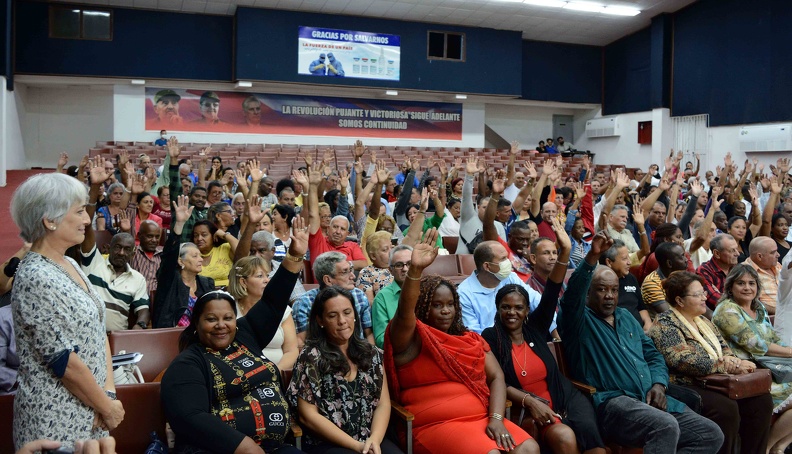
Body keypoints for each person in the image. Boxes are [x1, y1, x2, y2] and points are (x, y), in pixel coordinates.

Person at [558, 230, 724, 453]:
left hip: (649, 396)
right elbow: (571, 297)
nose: (609, 296)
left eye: (614, 290)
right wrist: (591, 259)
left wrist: (658, 384)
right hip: (613, 402)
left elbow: (653, 355)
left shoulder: (626, 316)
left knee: (710, 434)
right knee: (664, 426)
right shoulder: (577, 320)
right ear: (588, 293)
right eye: (601, 290)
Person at [383, 229, 539, 454]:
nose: (446, 311)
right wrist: (415, 270)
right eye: (437, 305)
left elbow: (496, 377)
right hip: (435, 425)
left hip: (481, 418)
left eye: (450, 304)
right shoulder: (411, 337)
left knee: (529, 448)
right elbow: (405, 313)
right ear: (423, 307)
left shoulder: (470, 340)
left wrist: (496, 419)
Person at [161, 217, 307, 454]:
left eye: (227, 318)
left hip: (274, 447)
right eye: (211, 319)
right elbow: (189, 417)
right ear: (196, 324)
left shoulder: (245, 335)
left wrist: (295, 256)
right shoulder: (188, 363)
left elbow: (273, 301)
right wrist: (244, 446)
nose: (221, 325)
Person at [10, 172, 124, 449]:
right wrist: (106, 408)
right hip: (54, 421)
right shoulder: (36, 276)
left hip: (91, 410)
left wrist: (107, 395)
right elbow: (63, 361)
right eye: (79, 212)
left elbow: (98, 333)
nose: (87, 219)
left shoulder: (68, 264)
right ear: (50, 220)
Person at [482, 220, 606, 453]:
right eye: (506, 307)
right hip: (529, 405)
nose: (512, 313)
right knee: (565, 437)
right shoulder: (492, 337)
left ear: (527, 311)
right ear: (497, 309)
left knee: (595, 446)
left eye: (518, 308)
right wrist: (529, 401)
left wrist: (565, 252)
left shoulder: (535, 327)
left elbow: (551, 290)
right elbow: (497, 382)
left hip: (564, 396)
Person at [649, 271, 772, 454]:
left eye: (703, 293)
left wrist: (733, 361)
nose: (703, 298)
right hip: (686, 383)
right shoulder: (665, 324)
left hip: (716, 379)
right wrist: (725, 365)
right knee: (725, 408)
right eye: (697, 294)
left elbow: (724, 348)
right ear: (680, 301)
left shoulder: (704, 320)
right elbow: (682, 360)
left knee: (761, 401)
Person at [288, 286, 400, 454]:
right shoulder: (311, 356)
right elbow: (308, 416)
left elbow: (382, 404)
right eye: (333, 315)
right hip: (328, 442)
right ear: (320, 320)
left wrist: (374, 440)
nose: (342, 320)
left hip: (369, 437)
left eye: (347, 312)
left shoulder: (372, 353)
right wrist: (356, 446)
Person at [712, 264, 792, 453]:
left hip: (770, 367)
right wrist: (789, 352)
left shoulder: (759, 307)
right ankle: (766, 448)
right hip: (748, 372)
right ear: (730, 286)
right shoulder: (727, 310)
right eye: (741, 283)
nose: (747, 288)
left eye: (751, 283)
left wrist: (786, 350)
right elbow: (755, 344)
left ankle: (778, 446)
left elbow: (772, 338)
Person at [457, 240, 556, 337]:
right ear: (487, 266)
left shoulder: (510, 277)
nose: (508, 262)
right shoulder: (464, 294)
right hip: (490, 348)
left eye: (507, 257)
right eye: (503, 259)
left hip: (519, 340)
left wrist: (554, 332)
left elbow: (540, 303)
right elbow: (474, 335)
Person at [152, 195, 215, 328]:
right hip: (170, 337)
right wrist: (179, 225)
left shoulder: (206, 283)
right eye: (194, 256)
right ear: (181, 261)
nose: (200, 259)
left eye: (200, 255)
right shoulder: (169, 280)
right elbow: (168, 258)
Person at [228, 255, 298, 371]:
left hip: (277, 375)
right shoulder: (228, 309)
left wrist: (275, 372)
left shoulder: (282, 309)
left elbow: (291, 350)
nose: (267, 280)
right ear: (243, 282)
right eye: (260, 276)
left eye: (267, 275)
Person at [292, 251, 374, 348]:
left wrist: (371, 358)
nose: (353, 276)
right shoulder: (304, 303)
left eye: (351, 270)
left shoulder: (359, 295)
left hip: (358, 353)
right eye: (345, 272)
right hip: (321, 356)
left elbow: (368, 334)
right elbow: (301, 342)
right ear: (328, 280)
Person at [600, 239, 652, 332]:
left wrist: (648, 322)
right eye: (624, 259)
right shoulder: (598, 286)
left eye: (629, 257)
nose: (629, 262)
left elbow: (641, 308)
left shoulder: (630, 278)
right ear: (609, 262)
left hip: (641, 333)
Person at [372, 245, 412, 348]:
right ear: (390, 270)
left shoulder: (427, 290)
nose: (405, 269)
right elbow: (381, 340)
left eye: (410, 264)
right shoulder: (382, 298)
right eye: (399, 265)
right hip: (401, 353)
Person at [641, 242, 690, 319]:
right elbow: (670, 315)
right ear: (669, 263)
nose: (686, 259)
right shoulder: (652, 282)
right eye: (682, 256)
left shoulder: (681, 276)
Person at [697, 233, 740, 311]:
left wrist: (723, 295)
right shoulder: (704, 270)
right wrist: (740, 299)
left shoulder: (738, 269)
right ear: (717, 253)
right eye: (732, 250)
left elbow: (751, 295)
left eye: (736, 249)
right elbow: (714, 299)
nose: (737, 253)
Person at [193, 219, 238, 287]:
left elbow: (242, 252)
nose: (199, 238)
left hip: (227, 292)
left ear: (213, 235)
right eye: (196, 235)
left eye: (204, 235)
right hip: (202, 294)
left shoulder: (224, 249)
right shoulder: (191, 254)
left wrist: (224, 235)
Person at [744, 236, 782, 315]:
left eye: (777, 251)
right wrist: (782, 312)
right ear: (759, 256)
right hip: (771, 318)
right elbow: (752, 303)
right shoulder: (745, 272)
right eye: (773, 252)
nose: (778, 255)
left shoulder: (777, 265)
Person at [129, 219, 163, 298]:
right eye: (150, 236)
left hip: (157, 300)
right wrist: (126, 230)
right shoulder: (133, 253)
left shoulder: (163, 255)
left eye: (157, 237)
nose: (154, 240)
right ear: (139, 236)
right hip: (135, 298)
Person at [357, 230, 394, 302]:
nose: (391, 251)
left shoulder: (401, 266)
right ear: (373, 256)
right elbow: (369, 304)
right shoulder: (366, 272)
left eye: (391, 247)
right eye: (385, 250)